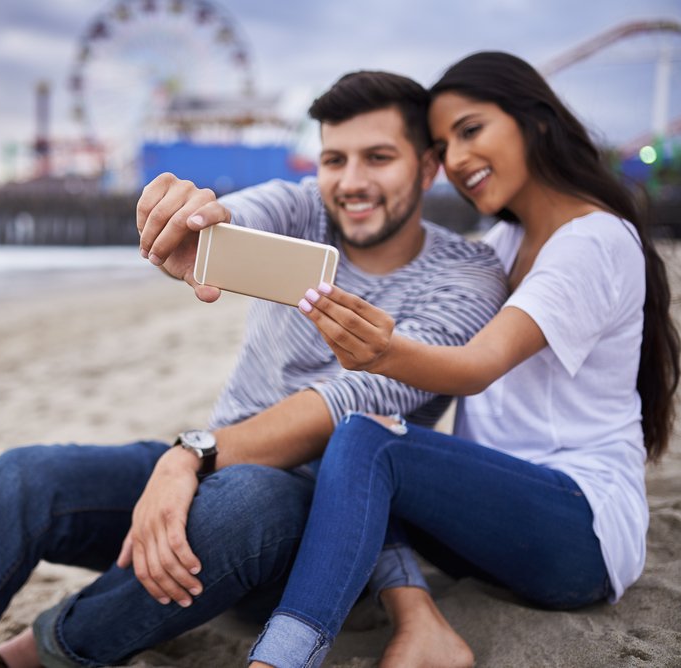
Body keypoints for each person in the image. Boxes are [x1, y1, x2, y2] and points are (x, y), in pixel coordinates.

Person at [0, 71, 508, 668]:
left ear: (427, 166)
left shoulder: (467, 276)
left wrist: (186, 459)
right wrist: (196, 222)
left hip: (311, 528)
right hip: (207, 470)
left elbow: (347, 403)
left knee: (255, 499)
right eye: (333, 159)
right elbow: (240, 212)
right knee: (26, 475)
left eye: (378, 158)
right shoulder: (303, 210)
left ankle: (39, 652)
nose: (351, 183)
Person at [247, 51, 681, 668]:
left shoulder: (595, 240)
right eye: (445, 144)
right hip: (494, 521)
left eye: (472, 130)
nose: (457, 159)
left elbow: (479, 364)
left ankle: (282, 659)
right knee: (344, 451)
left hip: (577, 535)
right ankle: (421, 625)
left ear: (535, 120)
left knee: (364, 439)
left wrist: (384, 352)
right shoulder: (504, 243)